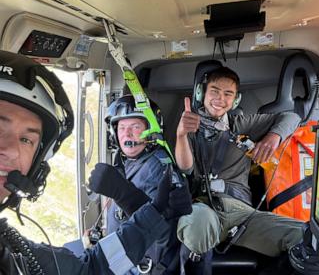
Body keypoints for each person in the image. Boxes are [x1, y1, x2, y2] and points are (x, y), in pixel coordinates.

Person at [0, 50, 192, 274]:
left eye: (26, 139)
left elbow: (92, 269)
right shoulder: (122, 164)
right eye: (122, 128)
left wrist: (150, 210)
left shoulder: (159, 168)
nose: (11, 150)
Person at [175, 62, 304, 274]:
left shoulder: (241, 124)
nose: (220, 99)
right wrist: (181, 135)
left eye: (228, 94)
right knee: (198, 224)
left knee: (305, 236)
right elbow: (186, 168)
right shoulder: (189, 124)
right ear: (201, 93)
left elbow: (292, 117)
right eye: (214, 91)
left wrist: (273, 137)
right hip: (205, 209)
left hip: (243, 215)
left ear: (236, 100)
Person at [88, 94, 186, 274]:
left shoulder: (159, 167)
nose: (127, 133)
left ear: (151, 131)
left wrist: (122, 192)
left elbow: (165, 233)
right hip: (122, 258)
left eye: (135, 127)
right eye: (122, 127)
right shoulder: (126, 162)